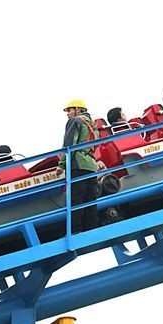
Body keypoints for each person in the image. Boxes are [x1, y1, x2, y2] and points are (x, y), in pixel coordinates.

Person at [57, 99, 99, 233]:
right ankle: (91, 229)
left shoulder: (75, 121)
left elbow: (69, 145)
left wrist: (62, 165)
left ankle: (75, 231)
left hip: (78, 164)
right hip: (91, 165)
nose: (68, 114)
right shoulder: (93, 124)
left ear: (78, 109)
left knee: (76, 199)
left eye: (69, 110)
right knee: (90, 199)